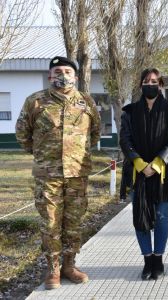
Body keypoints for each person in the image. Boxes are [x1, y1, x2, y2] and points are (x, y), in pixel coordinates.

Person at [15, 56, 101, 289]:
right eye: (57, 71)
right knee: (51, 222)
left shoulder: (86, 101)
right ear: (50, 75)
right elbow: (23, 135)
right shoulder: (35, 102)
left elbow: (94, 134)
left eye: (67, 71)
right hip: (48, 175)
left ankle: (70, 265)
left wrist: (75, 154)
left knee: (73, 222)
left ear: (75, 76)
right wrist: (43, 154)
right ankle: (52, 269)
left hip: (77, 174)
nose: (62, 75)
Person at [119, 68, 168, 280]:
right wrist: (139, 162)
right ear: (140, 85)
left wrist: (156, 163)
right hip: (138, 173)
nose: (150, 84)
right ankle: (147, 261)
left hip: (163, 172)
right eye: (146, 81)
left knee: (162, 217)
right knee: (141, 215)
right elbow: (125, 140)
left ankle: (158, 259)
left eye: (154, 81)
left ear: (161, 84)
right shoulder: (129, 112)